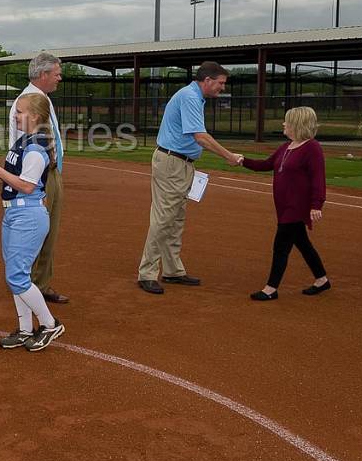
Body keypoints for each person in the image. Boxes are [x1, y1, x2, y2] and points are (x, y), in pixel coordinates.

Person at [137, 61, 243, 295]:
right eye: (220, 83)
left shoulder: (194, 97)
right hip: (172, 162)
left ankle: (173, 270)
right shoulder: (190, 97)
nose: (222, 88)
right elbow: (200, 136)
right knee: (165, 217)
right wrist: (228, 156)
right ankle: (147, 273)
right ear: (207, 80)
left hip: (181, 163)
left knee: (176, 218)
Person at [0, 93, 65, 351]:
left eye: (20, 111)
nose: (15, 115)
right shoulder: (24, 142)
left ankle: (50, 324)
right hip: (15, 213)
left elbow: (27, 186)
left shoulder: (36, 147)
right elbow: (12, 179)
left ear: (36, 117)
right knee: (16, 275)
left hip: (27, 216)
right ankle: (25, 329)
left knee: (18, 276)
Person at [241, 107, 330, 300]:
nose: (283, 124)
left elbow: (318, 179)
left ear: (297, 124)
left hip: (296, 207)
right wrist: (242, 160)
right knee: (303, 244)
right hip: (283, 205)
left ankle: (271, 288)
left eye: (287, 121)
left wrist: (317, 204)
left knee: (281, 245)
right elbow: (265, 165)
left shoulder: (312, 148)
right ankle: (322, 279)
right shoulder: (286, 146)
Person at [9, 52, 69, 304]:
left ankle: (40, 283)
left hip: (52, 172)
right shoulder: (27, 101)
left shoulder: (42, 98)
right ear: (43, 75)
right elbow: (18, 143)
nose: (59, 78)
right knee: (35, 231)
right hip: (38, 176)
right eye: (56, 74)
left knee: (50, 231)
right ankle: (27, 285)